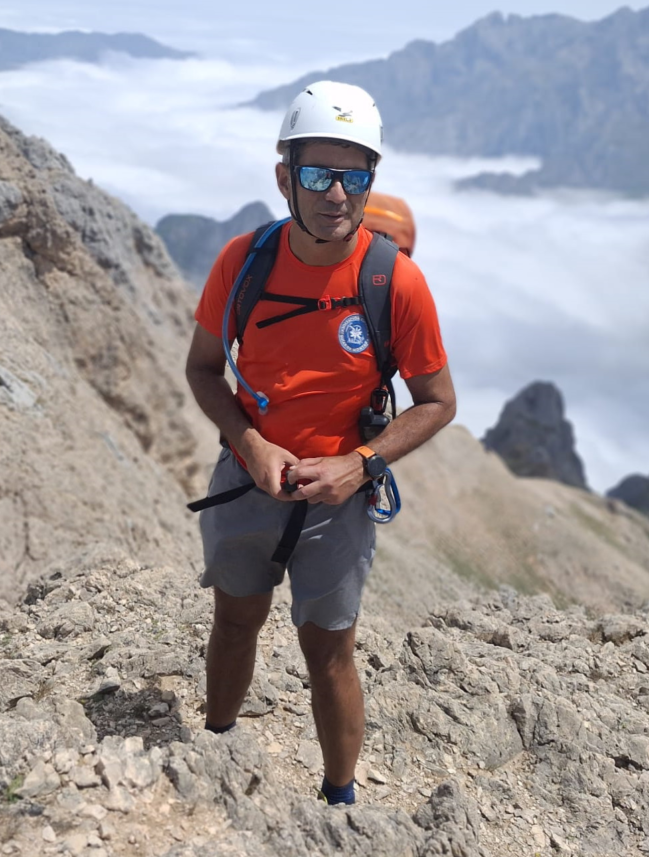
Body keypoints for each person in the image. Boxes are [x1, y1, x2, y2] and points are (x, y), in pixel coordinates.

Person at [185, 80, 456, 806]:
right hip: (249, 481)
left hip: (341, 501)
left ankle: (339, 804)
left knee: (328, 650)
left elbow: (437, 403)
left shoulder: (394, 283)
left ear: (370, 180)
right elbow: (203, 370)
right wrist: (251, 447)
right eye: (316, 173)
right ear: (284, 178)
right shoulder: (242, 263)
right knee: (235, 618)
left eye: (353, 174)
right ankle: (213, 754)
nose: (335, 193)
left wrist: (357, 465)